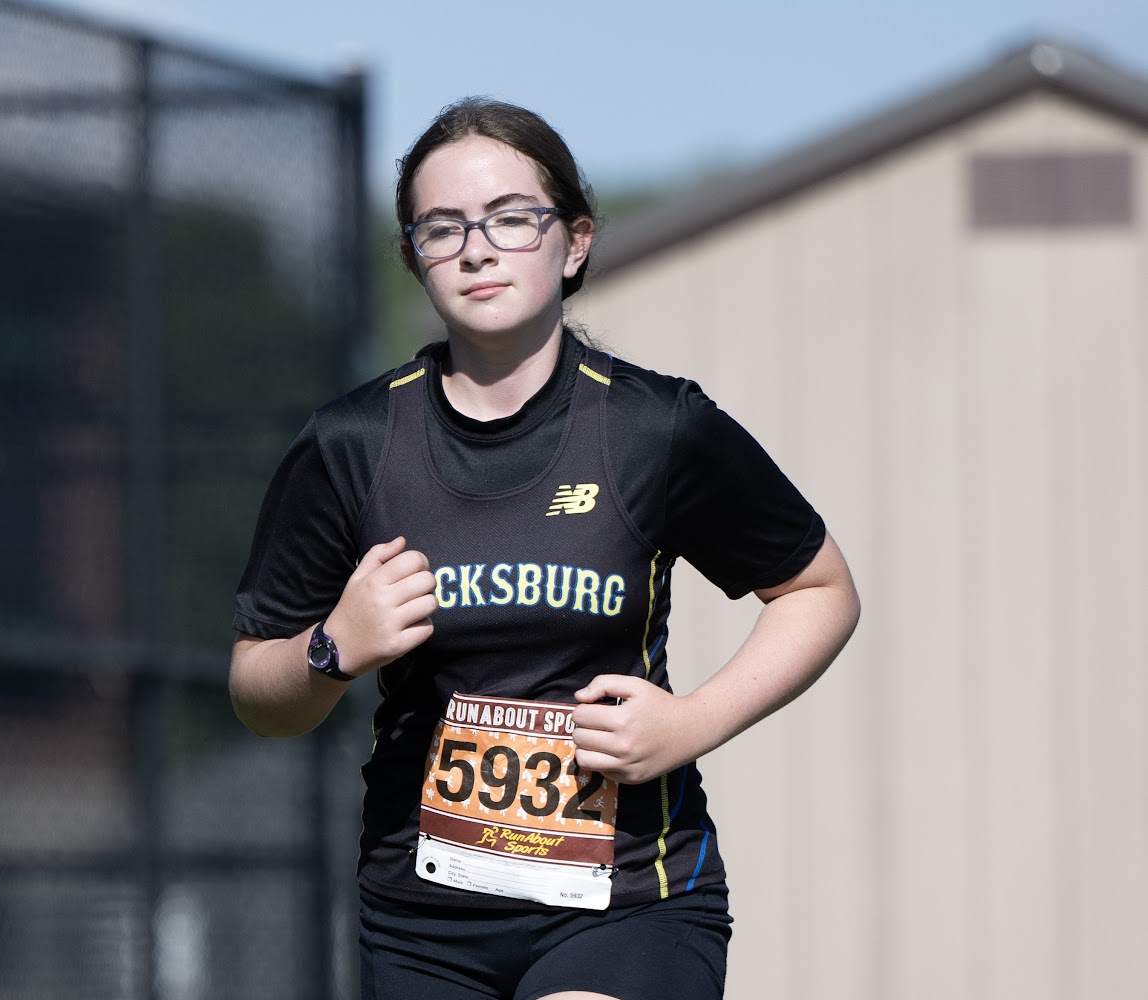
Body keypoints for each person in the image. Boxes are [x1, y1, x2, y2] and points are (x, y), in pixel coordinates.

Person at [229, 98, 860, 1000]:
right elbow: (259, 694)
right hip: (420, 919)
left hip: (628, 900)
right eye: (443, 228)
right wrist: (334, 648)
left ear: (573, 243)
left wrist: (690, 724)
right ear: (413, 258)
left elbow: (820, 591)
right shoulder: (351, 443)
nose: (477, 249)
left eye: (511, 218)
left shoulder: (656, 428)